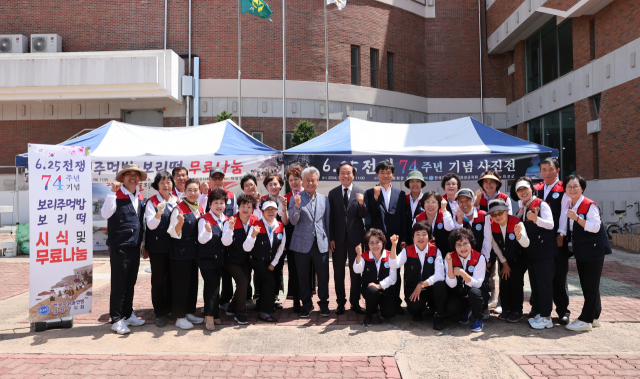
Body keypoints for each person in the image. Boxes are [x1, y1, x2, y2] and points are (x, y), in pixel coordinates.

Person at [101, 164, 147, 334]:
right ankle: (117, 319)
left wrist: (143, 244)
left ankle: (128, 314)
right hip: (120, 246)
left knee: (131, 283)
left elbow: (140, 222)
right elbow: (105, 214)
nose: (133, 177)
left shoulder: (139, 196)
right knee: (119, 284)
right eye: (129, 175)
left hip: (134, 246)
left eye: (136, 175)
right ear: (122, 178)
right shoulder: (115, 194)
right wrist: (112, 193)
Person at [563, 175, 611, 332]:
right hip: (583, 250)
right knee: (589, 285)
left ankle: (585, 319)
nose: (572, 189)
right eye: (569, 186)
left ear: (582, 188)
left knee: (590, 285)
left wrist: (577, 218)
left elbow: (595, 227)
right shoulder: (572, 204)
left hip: (593, 250)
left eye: (575, 186)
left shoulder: (589, 205)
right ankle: (595, 316)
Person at [510, 176, 557, 330]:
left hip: (544, 252)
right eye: (519, 190)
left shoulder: (541, 204)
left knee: (544, 285)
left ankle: (546, 317)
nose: (523, 192)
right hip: (532, 253)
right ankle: (540, 312)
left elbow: (550, 225)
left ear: (532, 188)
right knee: (536, 285)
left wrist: (536, 219)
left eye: (525, 189)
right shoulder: (523, 207)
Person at [288, 166, 331, 318]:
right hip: (301, 244)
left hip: (321, 243)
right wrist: (297, 207)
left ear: (317, 182)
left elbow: (327, 222)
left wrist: (329, 240)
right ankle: (306, 305)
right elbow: (293, 221)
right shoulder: (295, 199)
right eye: (307, 180)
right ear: (303, 182)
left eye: (313, 180)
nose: (310, 183)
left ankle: (324, 304)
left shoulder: (324, 199)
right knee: (303, 276)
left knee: (323, 276)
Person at [365, 160, 406, 315]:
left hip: (395, 240)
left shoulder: (400, 194)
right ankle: (376, 302)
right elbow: (372, 214)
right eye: (382, 172)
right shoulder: (370, 192)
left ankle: (396, 302)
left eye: (388, 172)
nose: (385, 175)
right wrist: (375, 197)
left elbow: (402, 217)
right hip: (378, 241)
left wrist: (403, 238)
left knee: (395, 270)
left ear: (393, 175)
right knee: (378, 271)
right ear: (377, 174)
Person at [391, 221, 447, 329]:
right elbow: (394, 264)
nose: (421, 237)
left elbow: (440, 275)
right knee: (415, 309)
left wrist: (422, 284)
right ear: (413, 236)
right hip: (413, 289)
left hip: (430, 288)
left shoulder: (435, 250)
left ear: (429, 236)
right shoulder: (407, 250)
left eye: (424, 234)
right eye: (417, 234)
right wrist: (394, 246)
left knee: (440, 285)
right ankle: (419, 310)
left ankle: (438, 316)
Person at [328, 162, 368, 315]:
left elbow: (364, 215)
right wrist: (331, 237)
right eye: (342, 173)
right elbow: (330, 218)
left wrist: (361, 203)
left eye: (348, 172)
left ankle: (355, 302)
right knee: (338, 272)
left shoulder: (361, 192)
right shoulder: (333, 193)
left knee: (356, 272)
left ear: (353, 175)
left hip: (356, 239)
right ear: (338, 175)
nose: (345, 175)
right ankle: (340, 303)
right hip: (337, 239)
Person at [537, 157, 572, 324]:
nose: (547, 173)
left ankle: (563, 310)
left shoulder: (564, 188)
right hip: (540, 240)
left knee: (559, 276)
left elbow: (566, 212)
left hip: (558, 239)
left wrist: (561, 234)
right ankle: (539, 308)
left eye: (550, 169)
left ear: (557, 170)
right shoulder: (537, 189)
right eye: (544, 169)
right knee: (541, 276)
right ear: (540, 172)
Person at [199, 167, 238, 314]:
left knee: (226, 274)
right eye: (214, 178)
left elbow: (233, 215)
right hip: (208, 241)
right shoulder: (203, 195)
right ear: (209, 179)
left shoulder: (231, 196)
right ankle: (210, 305)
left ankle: (224, 301)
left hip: (226, 240)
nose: (217, 181)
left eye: (220, 178)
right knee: (211, 279)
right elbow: (201, 213)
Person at [143, 171, 179, 328]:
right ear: (157, 185)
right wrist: (159, 213)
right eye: (163, 182)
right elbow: (150, 225)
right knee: (158, 280)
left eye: (169, 182)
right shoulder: (151, 202)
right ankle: (160, 312)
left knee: (172, 279)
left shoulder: (177, 200)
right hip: (158, 247)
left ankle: (171, 309)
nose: (166, 185)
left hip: (175, 246)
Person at [168, 178, 205, 330]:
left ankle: (189, 312)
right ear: (184, 191)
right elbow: (172, 232)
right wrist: (180, 224)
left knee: (192, 284)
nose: (192, 193)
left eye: (195, 190)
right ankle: (179, 317)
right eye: (189, 190)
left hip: (194, 253)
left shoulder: (200, 208)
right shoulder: (178, 209)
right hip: (180, 253)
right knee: (181, 285)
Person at [473, 170, 512, 312]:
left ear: (497, 184)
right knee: (489, 271)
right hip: (485, 240)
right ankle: (490, 299)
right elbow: (474, 214)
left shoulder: (504, 197)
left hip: (501, 238)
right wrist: (476, 199)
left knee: (503, 270)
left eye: (492, 182)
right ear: (482, 184)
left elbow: (509, 218)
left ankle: (502, 302)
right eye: (485, 182)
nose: (488, 185)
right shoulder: (478, 197)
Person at [488, 198, 529, 323]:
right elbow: (494, 245)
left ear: (507, 211)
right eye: (493, 214)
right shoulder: (491, 225)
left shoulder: (517, 223)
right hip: (503, 258)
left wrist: (519, 235)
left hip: (518, 259)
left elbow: (526, 244)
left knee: (516, 283)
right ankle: (506, 309)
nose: (497, 216)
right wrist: (504, 263)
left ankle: (517, 311)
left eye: (500, 213)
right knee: (504, 283)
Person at [245, 200, 287, 322]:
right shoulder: (255, 225)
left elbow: (281, 247)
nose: (270, 212)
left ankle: (263, 307)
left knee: (266, 282)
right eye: (267, 209)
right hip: (256, 261)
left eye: (273, 209)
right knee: (269, 282)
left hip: (270, 262)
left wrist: (273, 263)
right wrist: (253, 234)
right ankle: (264, 312)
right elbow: (247, 247)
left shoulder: (280, 225)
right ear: (262, 211)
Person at [221, 193, 260, 324]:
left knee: (244, 283)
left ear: (253, 208)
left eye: (249, 206)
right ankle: (240, 313)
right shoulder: (230, 220)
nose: (245, 209)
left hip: (246, 260)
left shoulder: (255, 220)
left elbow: (248, 247)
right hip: (231, 259)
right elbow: (225, 242)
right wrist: (231, 227)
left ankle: (232, 307)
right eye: (242, 206)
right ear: (238, 207)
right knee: (243, 281)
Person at [444, 228, 490, 332]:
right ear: (454, 246)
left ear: (471, 243)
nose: (462, 248)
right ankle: (466, 310)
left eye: (465, 243)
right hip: (462, 293)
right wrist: (450, 265)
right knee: (452, 307)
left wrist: (462, 273)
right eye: (458, 245)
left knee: (474, 292)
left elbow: (477, 284)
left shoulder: (479, 257)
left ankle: (478, 318)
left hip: (479, 293)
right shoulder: (450, 257)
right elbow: (451, 284)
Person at [197, 189, 230, 330]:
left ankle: (214, 314)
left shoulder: (227, 219)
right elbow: (201, 240)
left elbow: (227, 242)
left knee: (218, 286)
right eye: (216, 202)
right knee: (212, 285)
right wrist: (208, 232)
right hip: (207, 260)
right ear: (209, 204)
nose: (219, 205)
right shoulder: (204, 219)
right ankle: (209, 316)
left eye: (222, 203)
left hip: (221, 260)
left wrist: (231, 229)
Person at [353, 230, 398, 327]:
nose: (375, 245)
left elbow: (393, 278)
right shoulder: (364, 255)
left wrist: (379, 286)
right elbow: (357, 270)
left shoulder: (390, 255)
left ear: (383, 242)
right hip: (370, 290)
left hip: (386, 290)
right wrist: (358, 255)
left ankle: (380, 307)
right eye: (371, 243)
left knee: (389, 313)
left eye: (378, 242)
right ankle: (368, 315)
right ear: (368, 244)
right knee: (372, 291)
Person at [261, 173, 289, 310]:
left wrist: (283, 206)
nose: (273, 186)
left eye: (276, 184)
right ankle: (259, 295)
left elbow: (285, 221)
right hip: (263, 241)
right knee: (262, 269)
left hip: (279, 240)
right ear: (266, 186)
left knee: (277, 269)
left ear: (281, 186)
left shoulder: (285, 200)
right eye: (270, 184)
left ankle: (275, 296)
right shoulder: (261, 200)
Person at [283, 165, 305, 312]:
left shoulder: (309, 195)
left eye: (296, 179)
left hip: (307, 238)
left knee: (306, 270)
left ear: (302, 180)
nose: (294, 182)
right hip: (292, 238)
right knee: (294, 269)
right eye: (291, 180)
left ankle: (307, 299)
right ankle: (296, 300)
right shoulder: (286, 198)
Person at [413, 191, 455, 256]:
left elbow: (450, 228)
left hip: (445, 254)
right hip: (425, 254)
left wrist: (444, 209)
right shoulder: (418, 218)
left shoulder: (445, 214)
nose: (430, 205)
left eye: (433, 202)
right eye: (427, 202)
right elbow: (414, 238)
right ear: (423, 204)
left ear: (439, 204)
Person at [404, 171, 426, 244]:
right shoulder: (403, 199)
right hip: (405, 241)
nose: (415, 184)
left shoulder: (426, 200)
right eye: (412, 181)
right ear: (408, 184)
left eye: (418, 181)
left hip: (422, 240)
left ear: (421, 184)